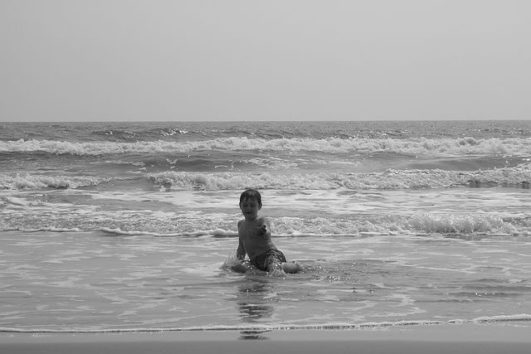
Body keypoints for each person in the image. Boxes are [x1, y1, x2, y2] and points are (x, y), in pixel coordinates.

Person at [233, 189, 300, 274]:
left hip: (270, 255)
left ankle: (294, 266)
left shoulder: (261, 220)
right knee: (235, 267)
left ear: (259, 206)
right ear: (240, 206)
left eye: (252, 205)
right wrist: (238, 261)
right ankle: (262, 272)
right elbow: (241, 247)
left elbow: (267, 231)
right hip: (255, 260)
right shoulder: (240, 224)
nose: (248, 208)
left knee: (275, 270)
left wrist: (262, 231)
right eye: (245, 205)